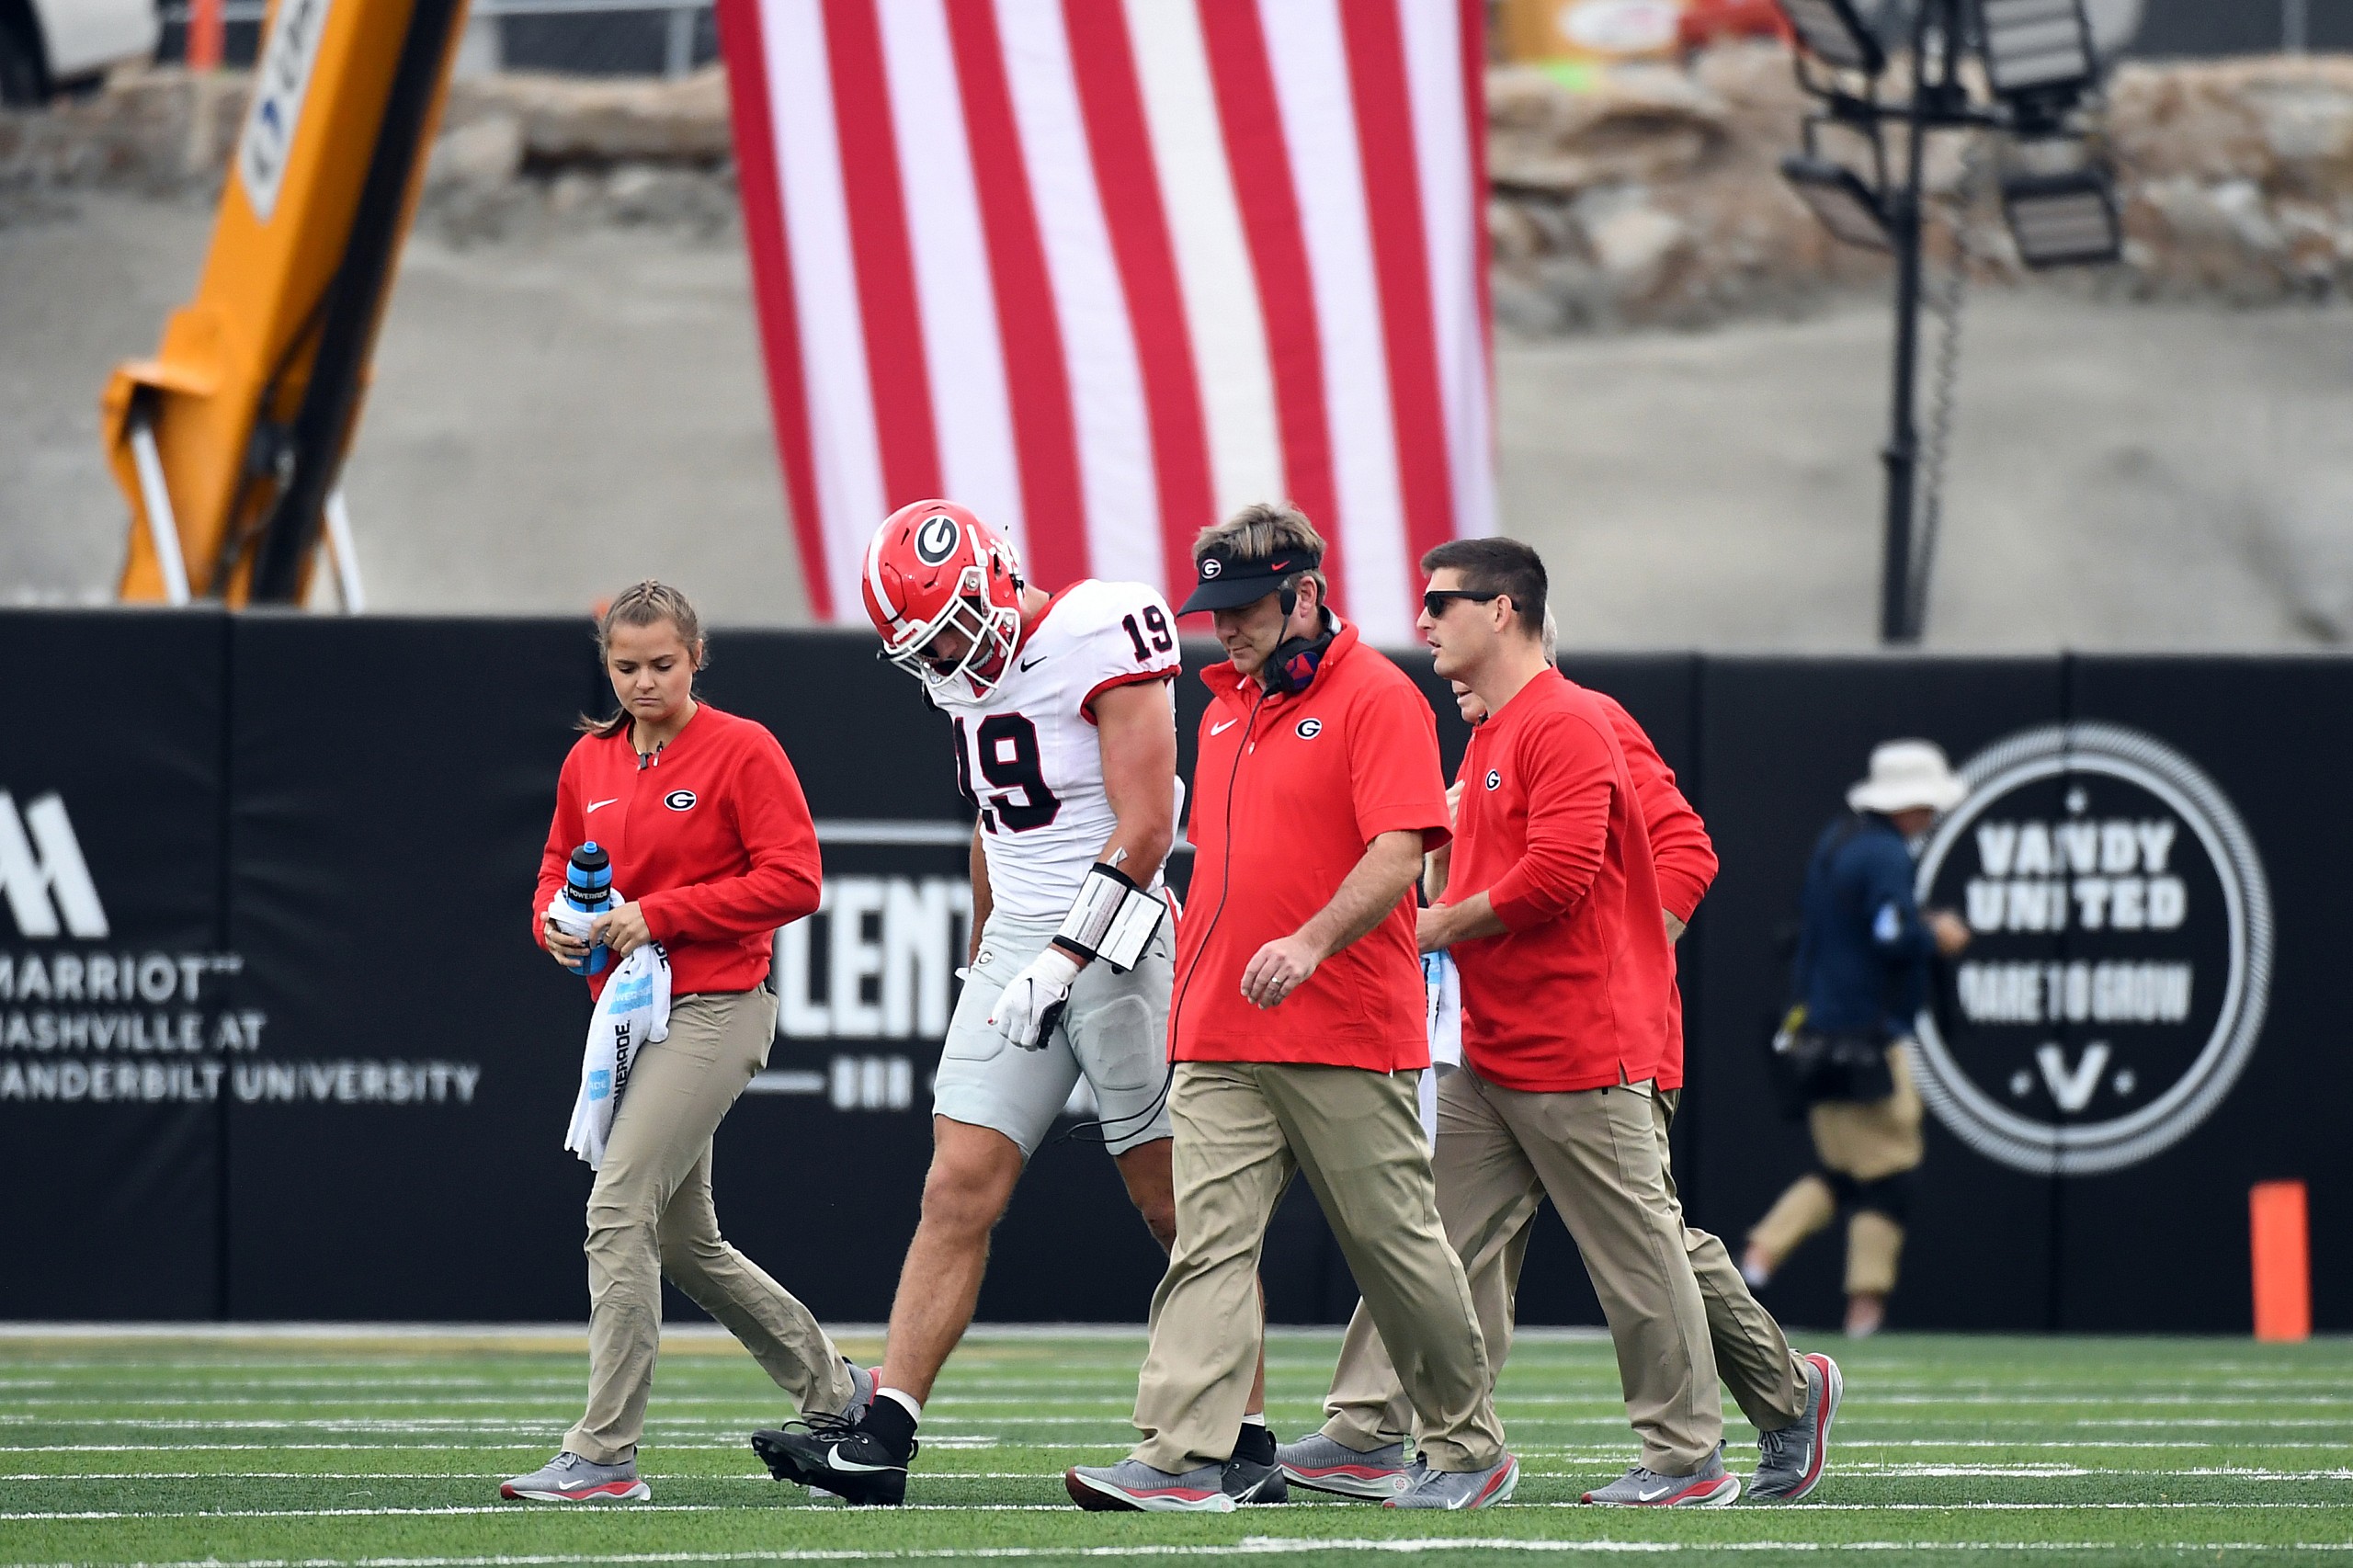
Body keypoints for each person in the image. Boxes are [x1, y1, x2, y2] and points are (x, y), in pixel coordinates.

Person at [1290, 602, 1839, 1507]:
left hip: (1598, 1033)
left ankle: (1773, 1403)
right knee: (1445, 1225)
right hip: (1498, 1034)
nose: (1444, 669)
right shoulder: (1489, 742)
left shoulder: (1586, 721)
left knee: (1643, 1237)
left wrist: (1615, 968)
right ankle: (1370, 1429)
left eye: (1457, 645)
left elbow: (1687, 849)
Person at [1065, 504, 1516, 1514]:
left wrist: (1310, 941)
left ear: (1306, 592)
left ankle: (1465, 1444)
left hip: (1344, 1027)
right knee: (1207, 1243)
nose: (1225, 627)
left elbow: (1402, 849)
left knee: (1396, 1251)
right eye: (1213, 608)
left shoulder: (1379, 697)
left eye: (1246, 606)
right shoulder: (1221, 704)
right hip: (1219, 1029)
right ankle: (1181, 1455)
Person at [750, 501, 1184, 1506]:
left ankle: (1238, 1436)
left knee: (1176, 1207)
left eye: (948, 624)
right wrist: (985, 948)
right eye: (922, 641)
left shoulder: (1099, 626)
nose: (944, 651)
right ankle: (884, 1433)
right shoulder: (960, 682)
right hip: (1019, 946)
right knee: (956, 1185)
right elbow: (994, 827)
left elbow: (1149, 824)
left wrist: (1065, 953)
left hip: (1118, 935)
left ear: (994, 575)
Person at [502, 582, 844, 1504]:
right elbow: (554, 869)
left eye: (662, 663)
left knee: (616, 1207)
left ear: (695, 655)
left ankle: (605, 1453)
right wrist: (553, 921)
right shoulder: (590, 759)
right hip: (627, 1013)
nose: (644, 681)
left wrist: (659, 912)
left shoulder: (743, 747)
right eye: (625, 666)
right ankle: (842, 1394)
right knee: (685, 1239)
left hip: (718, 1003)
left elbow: (796, 877)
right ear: (605, 663)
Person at [1743, 740, 1972, 1338]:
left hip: (1821, 1040)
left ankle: (1760, 1257)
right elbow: (1893, 934)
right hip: (1869, 1042)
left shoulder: (1838, 840)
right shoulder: (1884, 855)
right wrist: (1937, 933)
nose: (1931, 817)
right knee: (1889, 1180)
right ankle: (1863, 1310)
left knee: (1841, 1172)